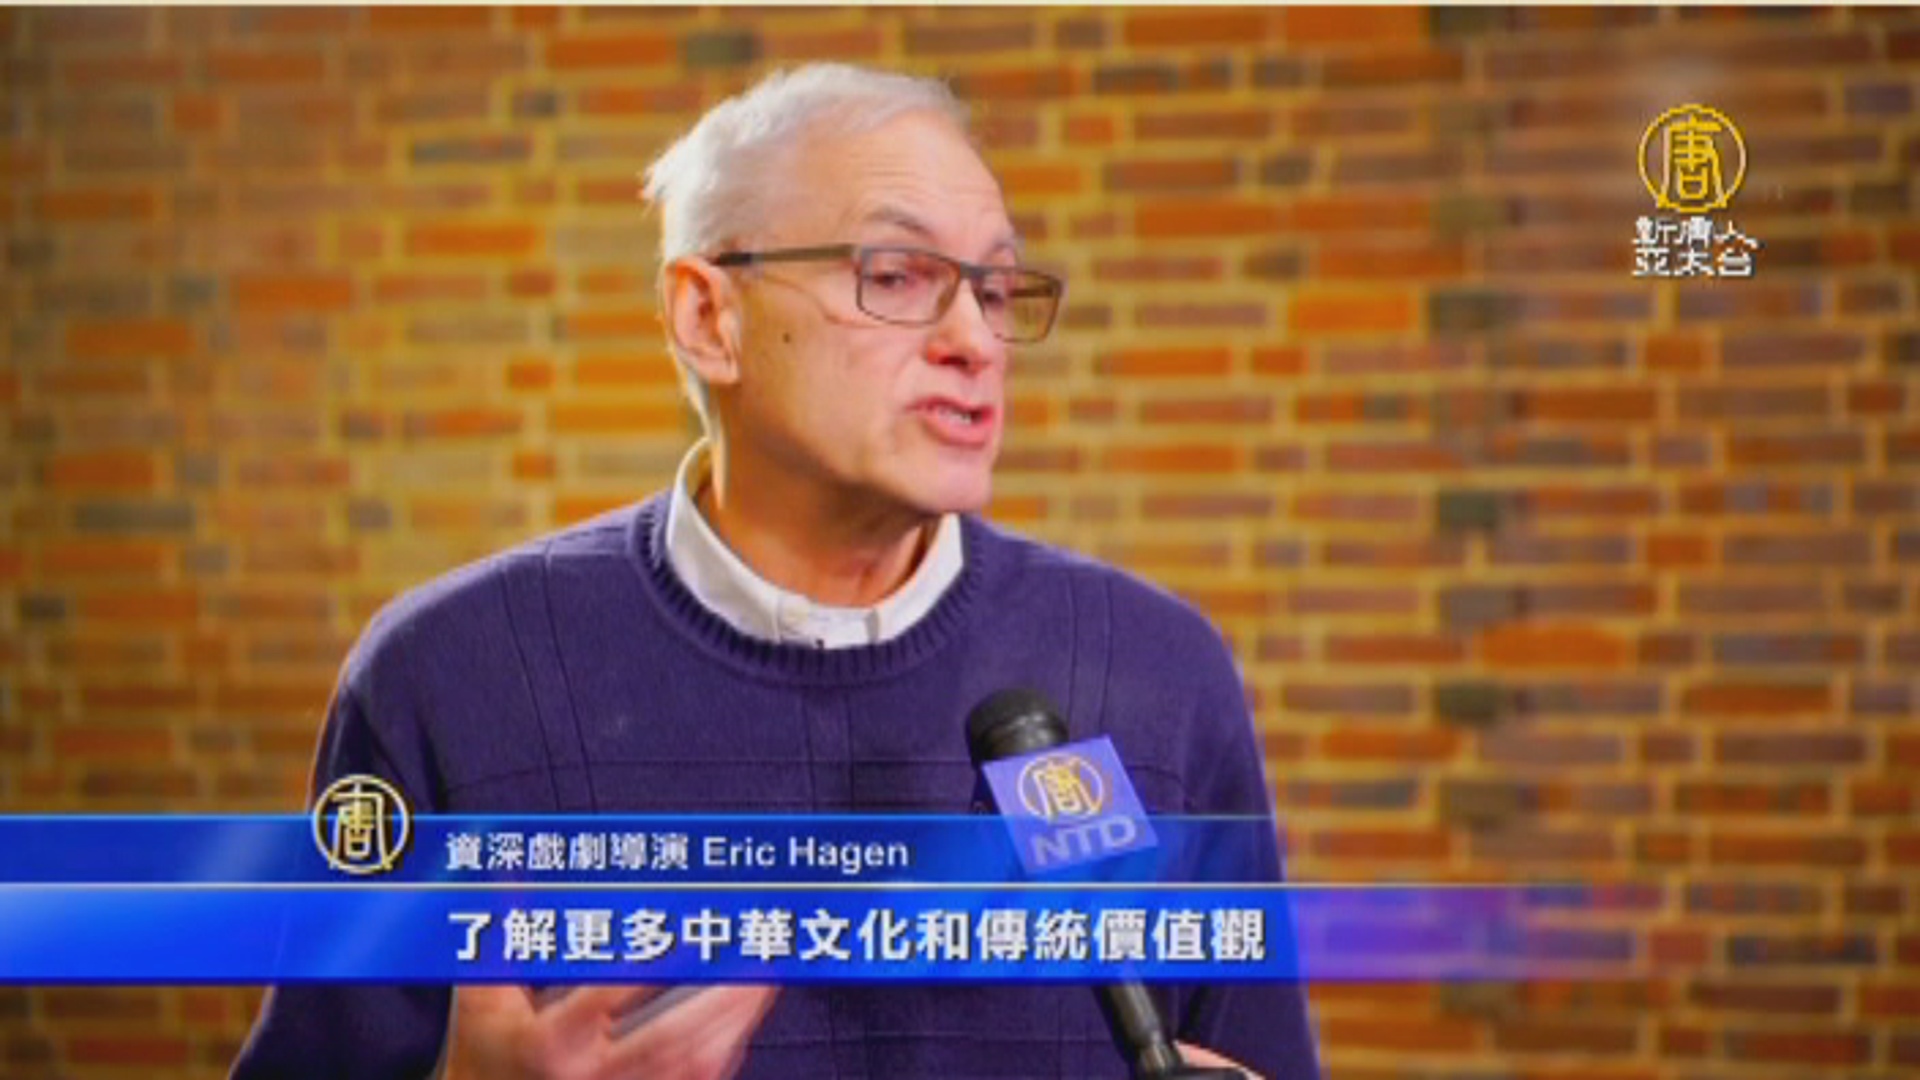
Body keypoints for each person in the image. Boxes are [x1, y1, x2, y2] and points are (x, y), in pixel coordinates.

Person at [233, 63, 1319, 1080]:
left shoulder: (1156, 672)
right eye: (897, 275)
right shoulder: (453, 676)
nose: (977, 341)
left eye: (994, 289)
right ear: (709, 317)